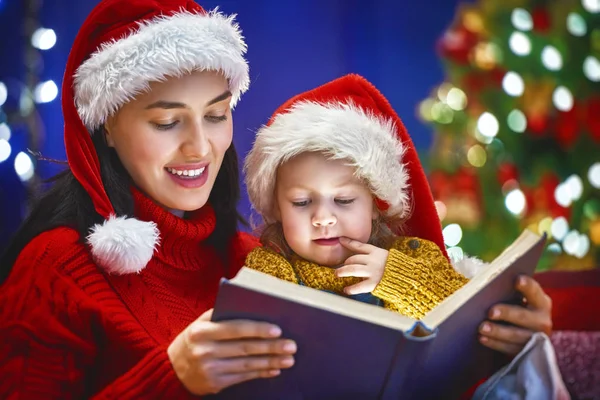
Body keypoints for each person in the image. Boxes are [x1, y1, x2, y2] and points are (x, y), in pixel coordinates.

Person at [0, 0, 297, 397]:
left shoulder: (255, 262)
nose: (199, 148)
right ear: (107, 126)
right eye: (167, 122)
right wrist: (172, 378)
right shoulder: (53, 271)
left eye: (215, 115)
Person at [244, 74, 553, 355]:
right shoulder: (270, 268)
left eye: (344, 199)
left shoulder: (412, 257)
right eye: (301, 203)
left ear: (376, 207)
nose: (323, 217)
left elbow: (463, 319)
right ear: (279, 212)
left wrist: (397, 277)